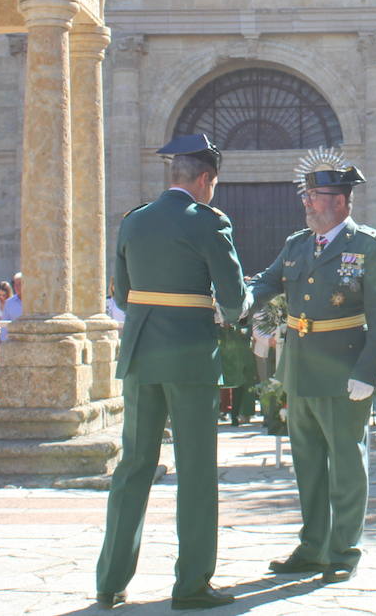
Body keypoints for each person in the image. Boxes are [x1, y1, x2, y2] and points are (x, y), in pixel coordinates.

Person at [95, 134, 249, 611]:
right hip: (189, 357)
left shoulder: (134, 221)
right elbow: (231, 296)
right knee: (197, 469)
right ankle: (191, 584)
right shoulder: (210, 223)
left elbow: (122, 296)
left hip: (141, 354)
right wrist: (241, 307)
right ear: (205, 179)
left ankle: (111, 579)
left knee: (135, 464)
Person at [249, 150, 376, 585]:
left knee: (347, 464)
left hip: (345, 371)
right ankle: (313, 545)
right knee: (308, 464)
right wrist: (235, 295)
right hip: (301, 370)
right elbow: (266, 282)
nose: (308, 203)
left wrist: (368, 373)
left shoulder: (367, 246)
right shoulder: (297, 244)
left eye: (316, 195)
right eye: (307, 195)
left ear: (343, 202)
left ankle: (343, 549)